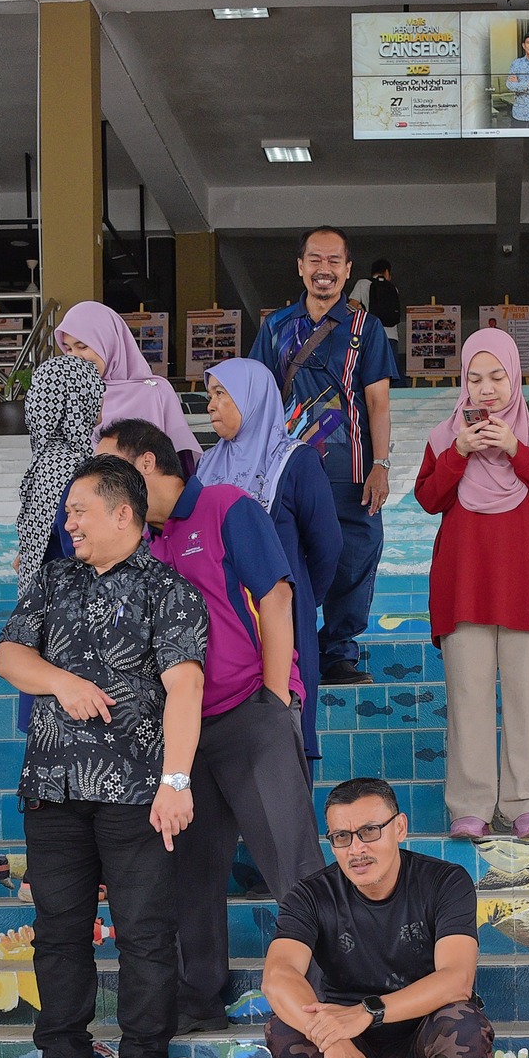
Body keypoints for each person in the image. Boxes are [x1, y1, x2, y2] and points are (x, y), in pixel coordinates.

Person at [0, 455, 206, 1058]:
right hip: (53, 787)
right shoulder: (53, 578)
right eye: (68, 513)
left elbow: (186, 688)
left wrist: (176, 781)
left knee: (144, 933)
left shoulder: (169, 590)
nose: (70, 523)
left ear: (123, 514)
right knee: (58, 932)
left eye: (79, 511)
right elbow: (10, 656)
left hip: (137, 790)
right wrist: (61, 681)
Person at [101, 419, 324, 1034]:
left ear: (146, 464)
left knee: (293, 863)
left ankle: (329, 993)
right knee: (191, 874)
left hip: (251, 711)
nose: (106, 484)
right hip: (185, 732)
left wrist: (275, 700)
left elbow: (275, 597)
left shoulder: (225, 506)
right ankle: (198, 998)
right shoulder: (142, 542)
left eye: (113, 468)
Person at [261, 777, 495, 1058]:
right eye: (342, 837)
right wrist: (333, 1040)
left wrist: (367, 1012)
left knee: (462, 1020)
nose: (357, 849)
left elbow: (456, 978)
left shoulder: (444, 881)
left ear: (400, 828)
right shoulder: (311, 896)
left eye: (370, 831)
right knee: (286, 1027)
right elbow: (278, 976)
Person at [414, 328, 529, 841]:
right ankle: (471, 806)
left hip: (525, 586)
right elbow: (429, 498)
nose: (486, 389)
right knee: (468, 700)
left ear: (516, 378)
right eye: (475, 378)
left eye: (498, 377)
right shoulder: (444, 438)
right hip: (463, 586)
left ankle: (527, 803)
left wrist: (514, 448)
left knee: (527, 699)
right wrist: (459, 451)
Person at [251, 226, 401, 686]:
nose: (324, 269)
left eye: (335, 261)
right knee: (289, 557)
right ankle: (292, 650)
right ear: (300, 266)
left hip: (351, 469)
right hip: (289, 470)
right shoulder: (275, 327)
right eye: (315, 259)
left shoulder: (366, 328)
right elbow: (258, 399)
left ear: (348, 269)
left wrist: (380, 464)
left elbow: (377, 402)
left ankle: (338, 652)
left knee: (358, 554)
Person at [195, 357, 342, 759]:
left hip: (281, 619)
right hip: (220, 623)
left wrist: (301, 596)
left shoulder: (295, 461)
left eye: (221, 394)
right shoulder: (206, 465)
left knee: (284, 734)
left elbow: (327, 545)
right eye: (210, 395)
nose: (211, 405)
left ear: (252, 399)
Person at [55, 301, 201, 472]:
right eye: (68, 349)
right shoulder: (70, 399)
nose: (74, 357)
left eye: (82, 346)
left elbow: (180, 463)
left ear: (109, 342)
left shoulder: (156, 392)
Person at [14, 354, 104, 600]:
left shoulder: (48, 457)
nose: (101, 399)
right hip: (67, 597)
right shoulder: (71, 464)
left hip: (46, 594)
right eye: (96, 390)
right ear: (78, 398)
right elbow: (74, 542)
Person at [349, 259, 403, 343]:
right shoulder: (393, 288)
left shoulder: (362, 283)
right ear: (386, 272)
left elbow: (352, 305)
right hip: (391, 336)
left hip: (371, 334)